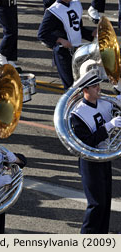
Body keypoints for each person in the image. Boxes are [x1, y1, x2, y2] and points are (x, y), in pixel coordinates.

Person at [70, 70, 121, 233]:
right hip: (89, 161)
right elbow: (87, 142)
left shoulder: (104, 102)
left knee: (105, 202)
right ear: (85, 90)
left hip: (104, 158)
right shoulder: (77, 115)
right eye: (94, 86)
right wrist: (109, 126)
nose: (99, 88)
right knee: (96, 203)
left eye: (98, 84)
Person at [37, 0, 95, 90]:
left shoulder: (76, 5)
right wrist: (59, 40)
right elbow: (42, 34)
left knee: (82, 84)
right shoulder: (53, 11)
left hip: (78, 53)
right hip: (63, 54)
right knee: (70, 88)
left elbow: (78, 29)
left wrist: (92, 34)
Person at [0, 0, 22, 73]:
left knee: (14, 31)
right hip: (1, 4)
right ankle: (1, 54)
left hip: (11, 4)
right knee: (10, 31)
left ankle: (9, 58)